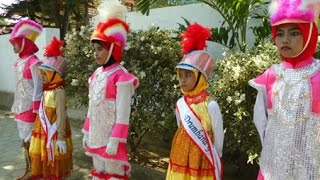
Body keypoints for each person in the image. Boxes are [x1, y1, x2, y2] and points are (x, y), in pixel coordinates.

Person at [249, 0, 320, 179]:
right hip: (274, 162)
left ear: (309, 33)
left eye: (294, 33)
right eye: (279, 34)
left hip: (310, 164)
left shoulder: (318, 73)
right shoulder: (271, 75)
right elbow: (261, 120)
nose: (285, 40)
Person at [82, 0, 139, 179]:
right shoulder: (96, 75)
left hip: (111, 139)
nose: (95, 53)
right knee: (99, 172)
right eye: (94, 49)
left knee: (114, 173)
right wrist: (86, 131)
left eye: (100, 49)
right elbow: (92, 107)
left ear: (114, 48)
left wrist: (115, 140)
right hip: (95, 136)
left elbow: (123, 113)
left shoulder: (121, 76)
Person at [166, 23, 224, 180]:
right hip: (180, 153)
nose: (183, 80)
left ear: (200, 78)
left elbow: (218, 135)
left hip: (203, 157)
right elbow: (181, 126)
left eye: (188, 75)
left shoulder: (210, 104)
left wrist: (216, 156)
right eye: (181, 75)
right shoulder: (180, 103)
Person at [28, 36, 73, 179]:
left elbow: (60, 114)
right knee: (45, 154)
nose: (42, 76)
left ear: (55, 74)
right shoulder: (47, 89)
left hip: (55, 130)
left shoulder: (59, 91)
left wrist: (60, 136)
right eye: (42, 73)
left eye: (45, 73)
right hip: (44, 128)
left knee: (55, 154)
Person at [9, 19, 43, 180]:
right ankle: (28, 169)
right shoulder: (19, 62)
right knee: (24, 141)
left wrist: (37, 108)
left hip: (30, 108)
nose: (13, 46)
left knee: (32, 141)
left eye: (15, 42)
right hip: (20, 107)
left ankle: (35, 171)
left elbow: (38, 87)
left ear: (25, 42)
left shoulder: (34, 62)